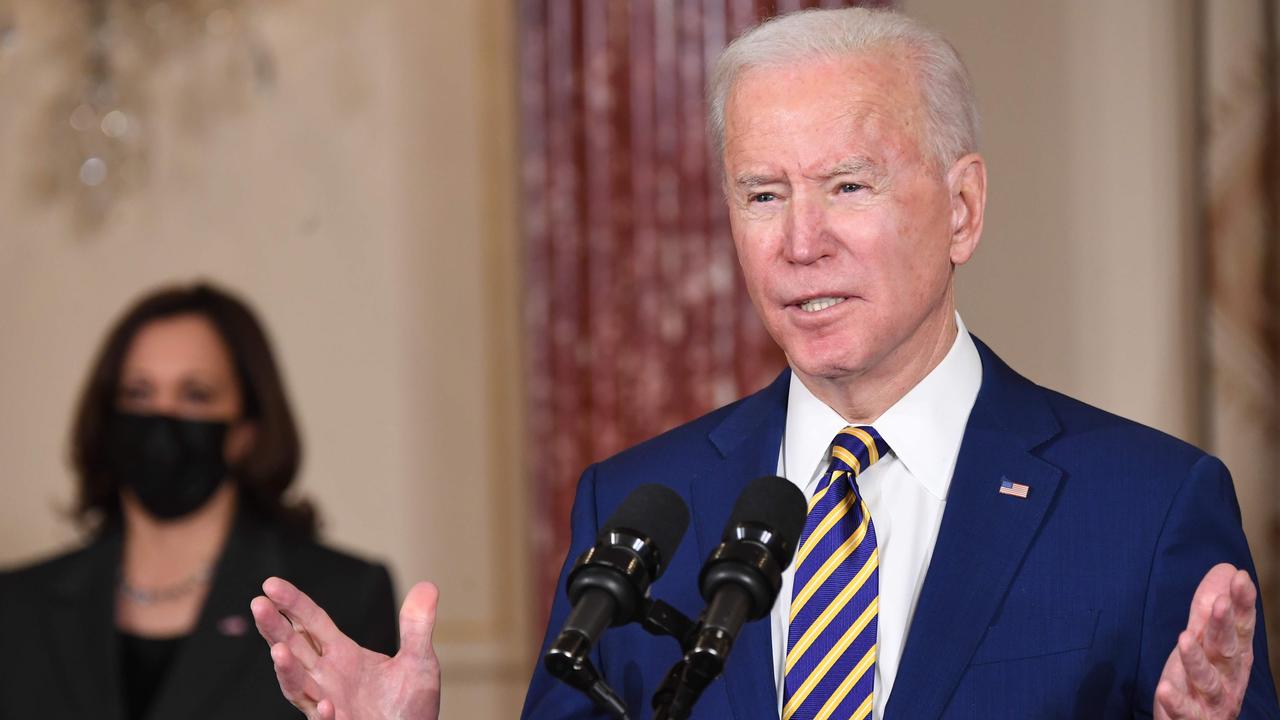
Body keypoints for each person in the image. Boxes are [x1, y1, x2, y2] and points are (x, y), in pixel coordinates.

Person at [250, 7, 1279, 719]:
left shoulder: (1141, 509)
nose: (798, 242)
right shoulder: (640, 506)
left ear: (961, 207)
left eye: (845, 186)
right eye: (760, 194)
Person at [0, 282, 399, 720]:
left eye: (195, 395)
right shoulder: (17, 607)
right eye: (138, 393)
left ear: (247, 430)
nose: (161, 417)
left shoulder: (341, 597)